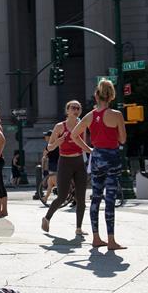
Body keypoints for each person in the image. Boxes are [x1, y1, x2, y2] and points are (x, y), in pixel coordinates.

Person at [71, 79, 126, 250]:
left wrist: (89, 149)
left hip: (97, 157)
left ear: (96, 96)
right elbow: (123, 139)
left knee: (95, 197)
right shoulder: (116, 115)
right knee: (110, 199)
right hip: (112, 157)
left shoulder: (90, 116)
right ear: (111, 96)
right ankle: (111, 240)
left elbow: (74, 135)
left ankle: (96, 237)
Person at [43, 100, 91, 235]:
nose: (76, 110)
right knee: (62, 196)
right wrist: (58, 142)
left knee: (81, 198)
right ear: (67, 110)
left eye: (79, 108)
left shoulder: (82, 126)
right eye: (73, 108)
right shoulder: (59, 127)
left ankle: (79, 228)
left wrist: (91, 151)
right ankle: (47, 218)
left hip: (79, 162)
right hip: (64, 162)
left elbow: (83, 144)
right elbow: (49, 147)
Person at [41, 130, 58, 205]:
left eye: (46, 136)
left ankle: (62, 198)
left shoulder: (50, 144)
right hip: (54, 165)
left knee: (55, 183)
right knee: (50, 183)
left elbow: (44, 155)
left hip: (54, 166)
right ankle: (45, 198)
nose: (45, 137)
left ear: (50, 137)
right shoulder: (56, 143)